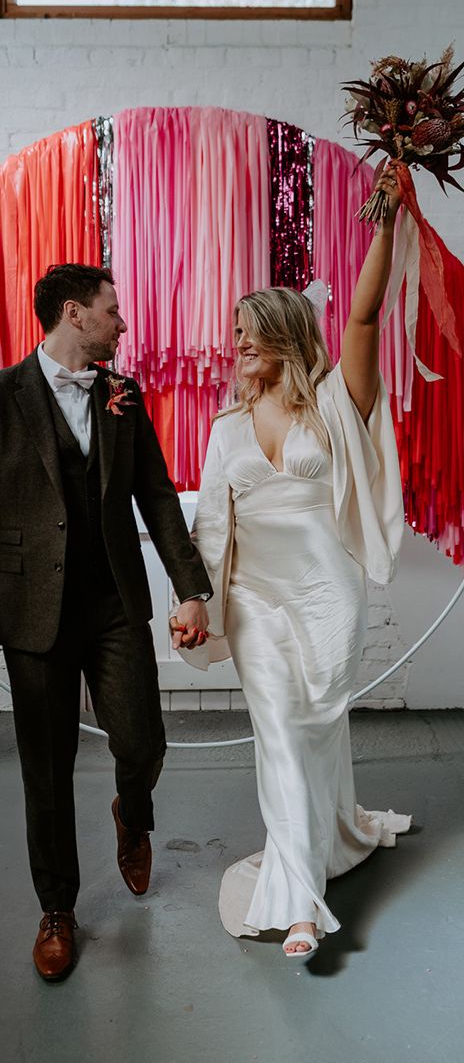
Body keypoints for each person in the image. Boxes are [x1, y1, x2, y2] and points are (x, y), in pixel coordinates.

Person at [171, 171, 410, 961]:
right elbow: (212, 526)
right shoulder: (226, 427)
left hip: (327, 593)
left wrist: (386, 220)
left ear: (283, 332)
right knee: (276, 727)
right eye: (234, 331)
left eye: (249, 330)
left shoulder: (337, 402)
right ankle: (301, 905)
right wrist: (196, 605)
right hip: (254, 597)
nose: (236, 343)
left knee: (313, 725)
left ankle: (335, 832)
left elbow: (367, 314)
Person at [0, 263, 212, 982]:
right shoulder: (3, 396)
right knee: (46, 768)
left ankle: (133, 810)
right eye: (113, 311)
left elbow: (155, 496)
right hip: (31, 611)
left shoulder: (122, 395)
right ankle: (56, 911)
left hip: (116, 603)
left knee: (143, 738)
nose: (123, 324)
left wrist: (191, 591)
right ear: (75, 314)